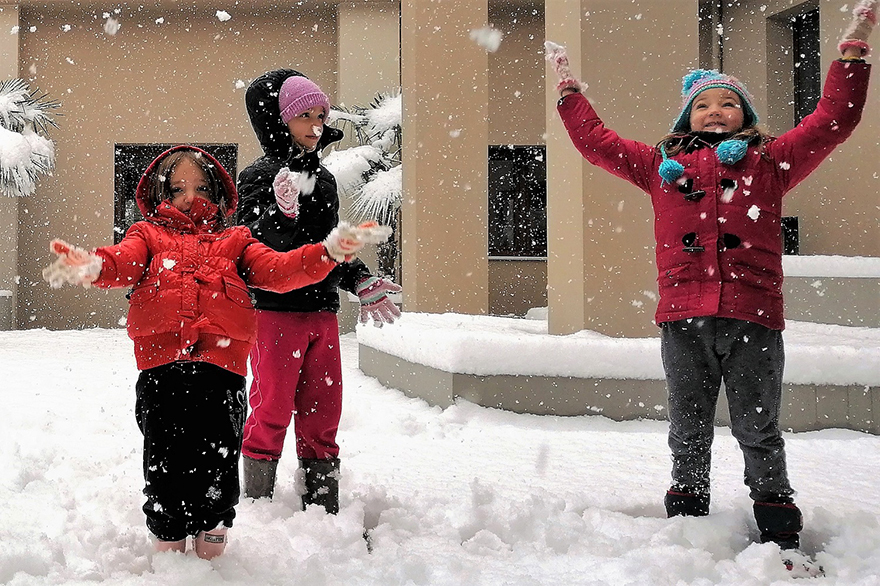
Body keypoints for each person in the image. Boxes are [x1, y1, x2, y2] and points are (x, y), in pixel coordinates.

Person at [546, 1, 873, 572]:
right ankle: (688, 519)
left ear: (745, 117)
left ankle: (777, 522)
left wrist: (851, 53)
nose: (715, 111)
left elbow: (831, 121)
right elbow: (597, 142)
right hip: (683, 317)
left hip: (752, 317)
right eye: (703, 104)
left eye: (728, 103)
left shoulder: (769, 161)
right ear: (686, 118)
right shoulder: (658, 166)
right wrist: (570, 94)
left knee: (758, 425)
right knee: (688, 422)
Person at [42, 145, 383, 558]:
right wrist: (93, 265)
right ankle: (168, 536)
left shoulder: (236, 241)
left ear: (219, 193)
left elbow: (278, 270)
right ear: (161, 195)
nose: (191, 197)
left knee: (218, 457)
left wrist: (326, 254)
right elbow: (124, 262)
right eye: (179, 188)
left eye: (202, 187)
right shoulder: (146, 235)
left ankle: (213, 533)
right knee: (164, 456)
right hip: (162, 369)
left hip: (221, 371)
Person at [235, 70, 402, 514]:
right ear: (278, 120)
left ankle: (322, 502)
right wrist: (281, 216)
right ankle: (257, 502)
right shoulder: (258, 176)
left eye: (319, 115)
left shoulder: (323, 181)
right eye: (302, 115)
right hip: (274, 314)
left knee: (323, 412)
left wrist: (358, 278)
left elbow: (329, 243)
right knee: (270, 408)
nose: (313, 125)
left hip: (322, 315)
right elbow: (251, 248)